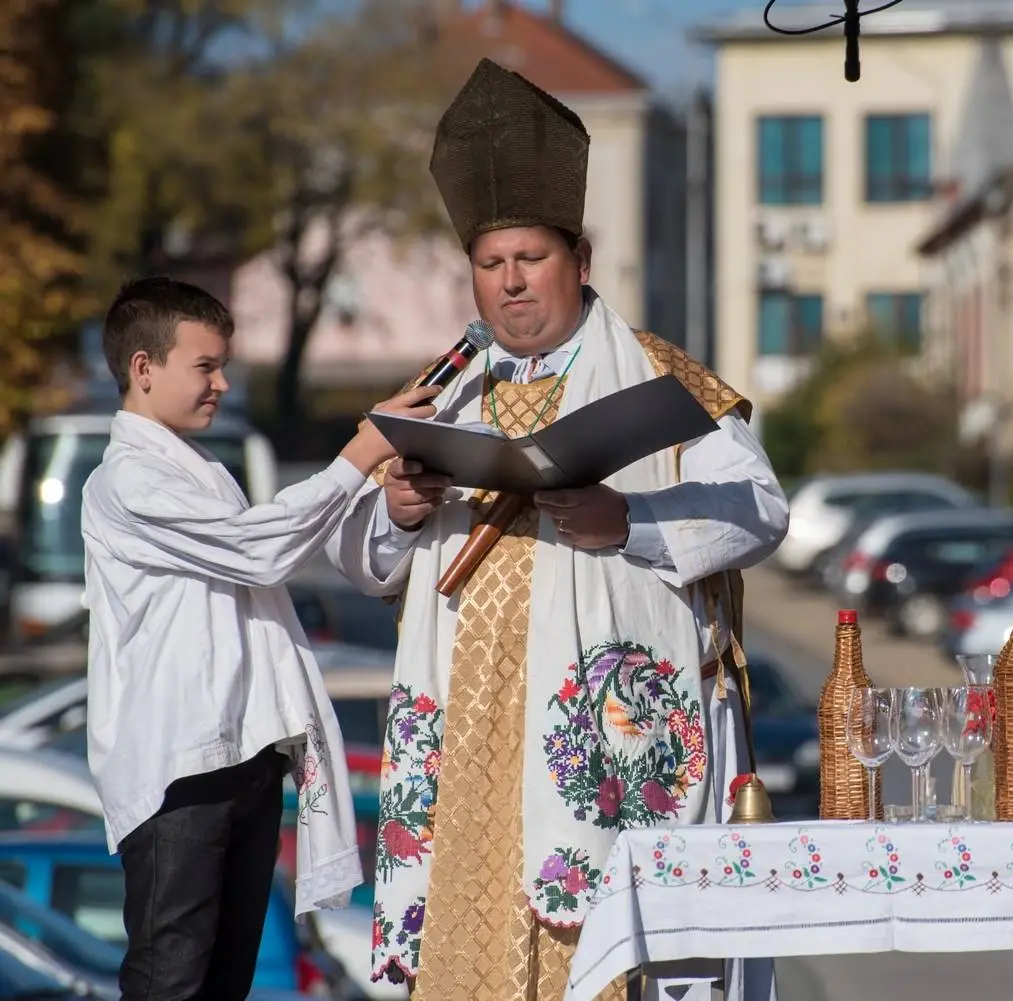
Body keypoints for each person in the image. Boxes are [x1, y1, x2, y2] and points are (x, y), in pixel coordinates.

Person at [325, 59, 788, 1001]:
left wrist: (631, 520)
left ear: (580, 259)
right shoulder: (442, 392)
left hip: (598, 736)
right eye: (490, 265)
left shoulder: (659, 377)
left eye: (530, 259)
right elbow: (360, 556)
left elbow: (759, 508)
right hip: (469, 735)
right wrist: (400, 510)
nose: (510, 284)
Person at [80, 276, 440, 1001]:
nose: (221, 383)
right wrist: (362, 450)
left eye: (224, 365)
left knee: (225, 984)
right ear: (144, 368)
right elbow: (262, 550)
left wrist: (390, 500)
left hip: (245, 758)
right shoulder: (125, 481)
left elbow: (282, 542)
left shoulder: (204, 471)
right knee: (169, 982)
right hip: (180, 770)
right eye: (205, 366)